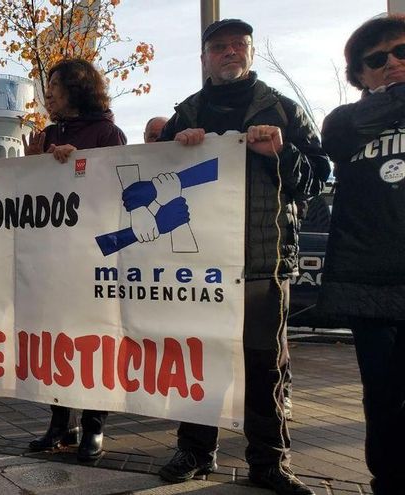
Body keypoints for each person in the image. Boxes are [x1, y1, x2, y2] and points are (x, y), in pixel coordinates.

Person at [153, 20, 330, 495]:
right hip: (199, 264)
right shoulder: (186, 112)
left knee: (265, 365)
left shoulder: (284, 109)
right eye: (219, 47)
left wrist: (282, 152)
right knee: (198, 358)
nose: (229, 52)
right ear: (205, 57)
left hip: (262, 263)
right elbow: (153, 179)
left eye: (238, 46)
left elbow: (314, 181)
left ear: (250, 53)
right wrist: (173, 152)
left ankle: (269, 461)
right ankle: (194, 450)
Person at [22, 58, 127, 462]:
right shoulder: (46, 134)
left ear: (77, 89)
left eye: (55, 88)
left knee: (92, 341)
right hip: (52, 258)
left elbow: (118, 190)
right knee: (56, 342)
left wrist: (78, 168)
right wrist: (32, 164)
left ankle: (94, 427)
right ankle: (59, 423)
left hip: (91, 258)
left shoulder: (107, 132)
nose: (48, 96)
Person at [317, 14, 405, 495]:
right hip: (368, 282)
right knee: (383, 395)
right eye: (378, 59)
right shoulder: (344, 121)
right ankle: (387, 481)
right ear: (360, 74)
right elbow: (342, 135)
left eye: (401, 53)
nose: (392, 63)